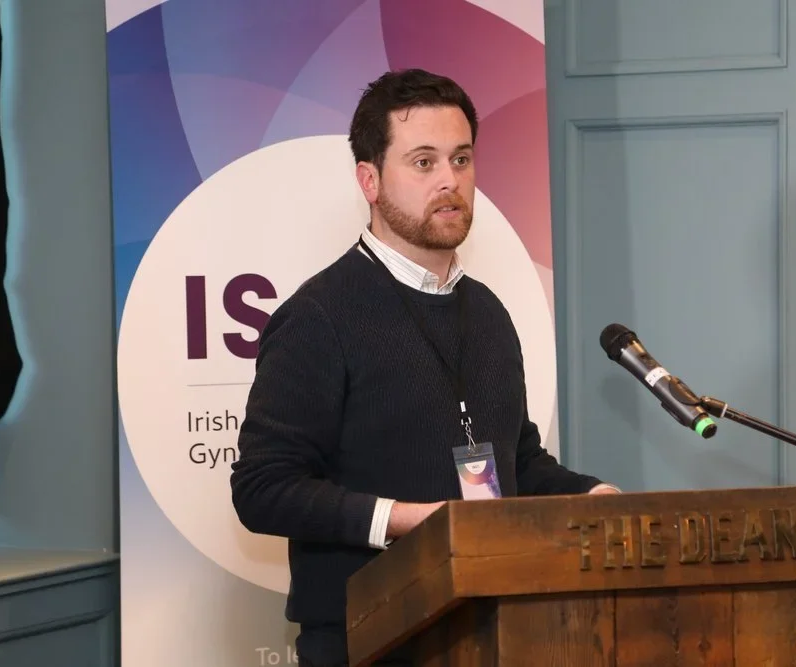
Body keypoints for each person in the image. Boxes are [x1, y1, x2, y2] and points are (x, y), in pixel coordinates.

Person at [230, 68, 619, 667]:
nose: (449, 181)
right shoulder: (318, 316)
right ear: (369, 180)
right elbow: (262, 489)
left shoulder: (487, 311)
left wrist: (590, 495)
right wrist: (409, 521)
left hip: (492, 625)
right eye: (423, 162)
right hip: (367, 635)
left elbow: (514, 460)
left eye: (461, 159)